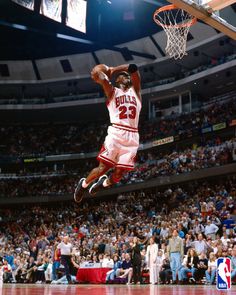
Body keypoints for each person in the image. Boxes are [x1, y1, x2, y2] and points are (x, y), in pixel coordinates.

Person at [74, 63, 142, 202]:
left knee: (119, 174)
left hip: (133, 136)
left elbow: (134, 68)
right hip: (116, 133)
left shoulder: (136, 92)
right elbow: (99, 76)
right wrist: (103, 72)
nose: (125, 77)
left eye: (126, 76)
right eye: (121, 76)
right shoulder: (112, 91)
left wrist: (115, 69)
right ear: (117, 81)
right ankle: (84, 185)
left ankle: (103, 184)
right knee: (102, 169)